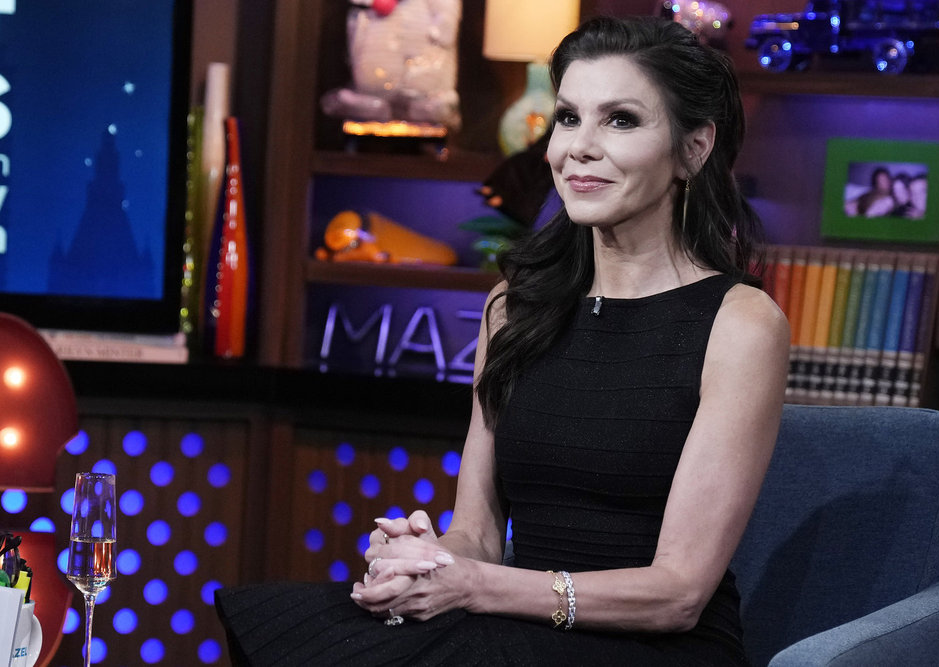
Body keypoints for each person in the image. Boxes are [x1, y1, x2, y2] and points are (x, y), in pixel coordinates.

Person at [215, 15, 789, 666]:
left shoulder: (741, 323)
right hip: (518, 628)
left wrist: (480, 585)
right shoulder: (514, 305)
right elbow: (478, 534)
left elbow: (679, 593)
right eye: (569, 117)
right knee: (294, 622)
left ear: (694, 147)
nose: (578, 147)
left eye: (621, 120)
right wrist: (429, 562)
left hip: (654, 647)